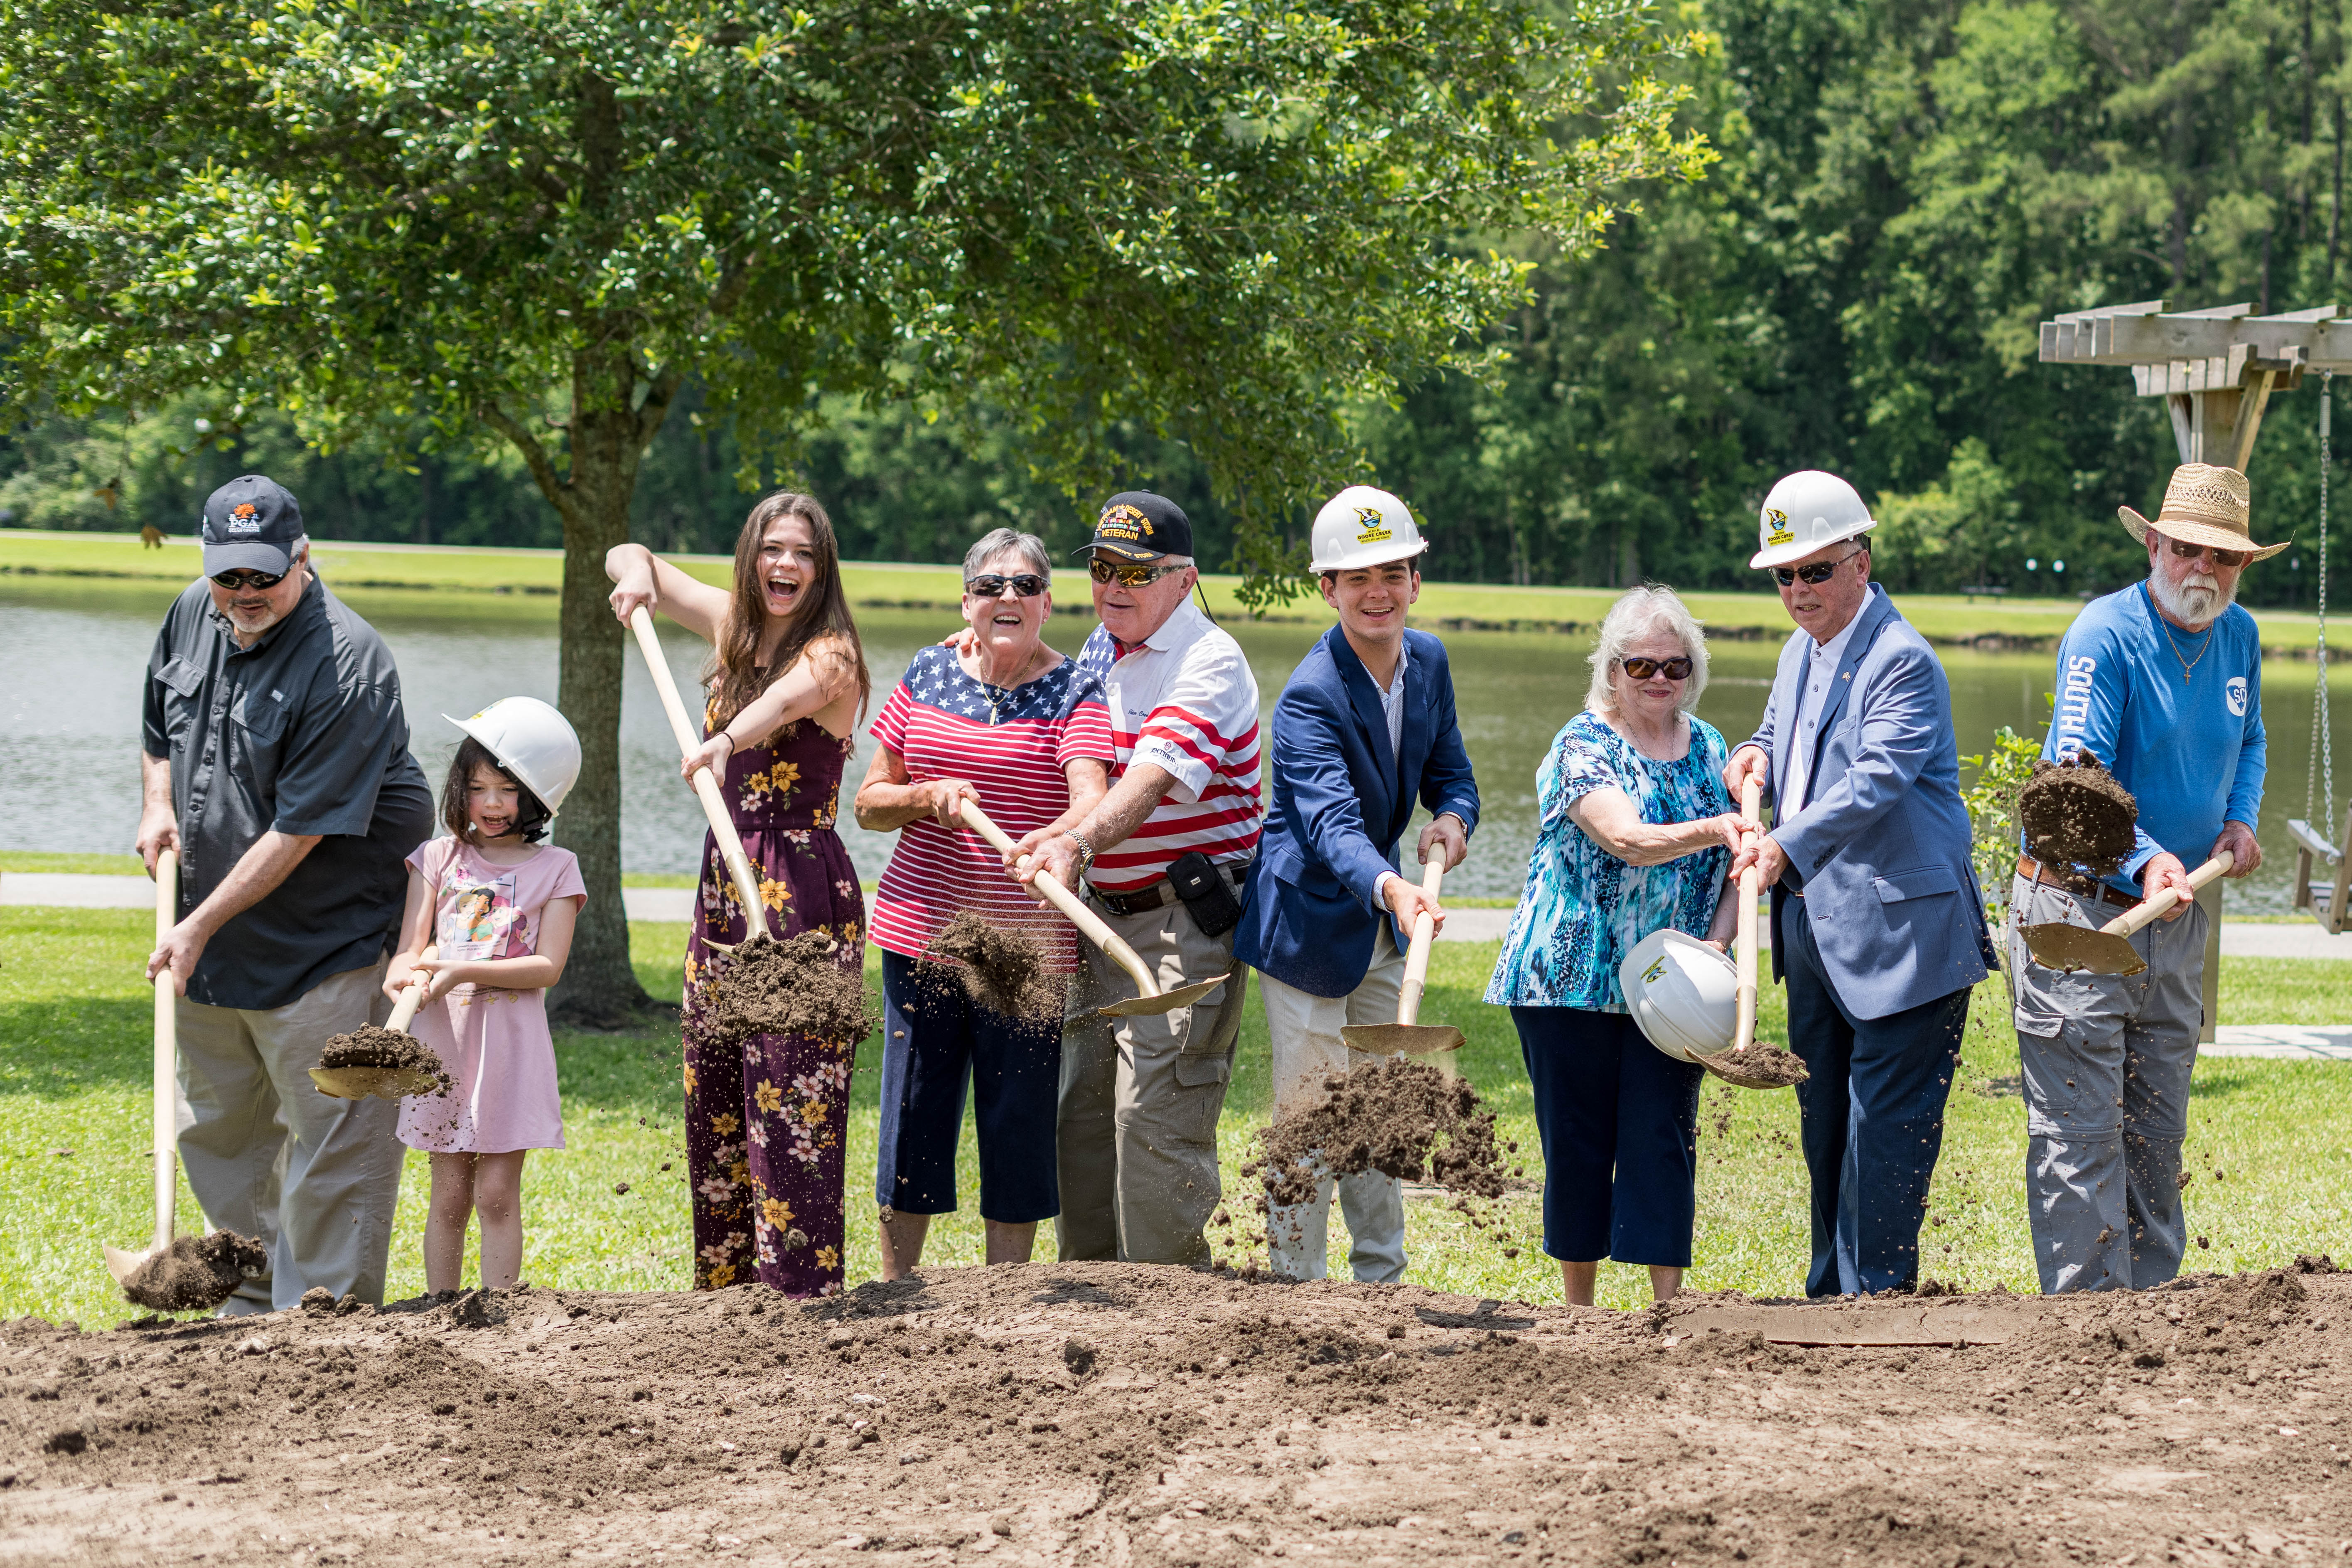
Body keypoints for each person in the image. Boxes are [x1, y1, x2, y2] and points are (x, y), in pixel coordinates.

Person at [136, 474, 436, 1313]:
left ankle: (326, 1324)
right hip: (216, 939)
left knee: (336, 1138)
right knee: (224, 1135)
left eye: (262, 578)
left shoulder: (349, 665)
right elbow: (160, 724)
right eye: (228, 577)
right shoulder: (194, 610)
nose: (243, 595)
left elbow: (298, 832)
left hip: (326, 945)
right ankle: (248, 1308)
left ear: (302, 559)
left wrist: (194, 924)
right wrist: (157, 805)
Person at [1724, 469, 1995, 1298]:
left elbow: (1873, 778)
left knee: (1885, 1130)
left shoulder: (1901, 660)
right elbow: (1782, 731)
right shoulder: (1799, 650)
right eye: (1783, 574)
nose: (1797, 589)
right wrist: (1754, 752)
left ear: (1860, 561)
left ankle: (1875, 1302)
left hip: (1901, 937)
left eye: (1815, 569)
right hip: (1813, 928)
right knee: (1825, 1124)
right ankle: (1827, 1296)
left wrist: (1781, 846)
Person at [2011, 462, 2274, 1293]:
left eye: (2222, 557)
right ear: (2154, 543)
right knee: (2080, 1132)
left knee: (2156, 1133)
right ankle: (2086, 1328)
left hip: (2172, 918)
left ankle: (2151, 1313)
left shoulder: (2237, 636)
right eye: (2187, 548)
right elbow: (2073, 781)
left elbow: (2254, 740)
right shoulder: (2104, 635)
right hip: (2079, 910)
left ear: (2240, 566)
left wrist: (2238, 818)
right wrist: (2141, 858)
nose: (2202, 568)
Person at [605, 492, 871, 1296]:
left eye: (802, 553)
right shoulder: (734, 627)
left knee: (791, 1106)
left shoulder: (834, 656)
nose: (785, 565)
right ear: (752, 557)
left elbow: (786, 702)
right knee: (714, 1094)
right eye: (772, 549)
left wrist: (723, 737)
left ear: (821, 569)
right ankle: (723, 1301)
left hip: (800, 892)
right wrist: (632, 582)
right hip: (724, 883)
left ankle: (799, 1294)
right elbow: (633, 554)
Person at [1010, 492, 1265, 1266]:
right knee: (1079, 1118)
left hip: (1179, 928)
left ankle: (1170, 1326)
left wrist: (1075, 842)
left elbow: (1150, 778)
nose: (1113, 585)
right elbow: (1063, 731)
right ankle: (1091, 1306)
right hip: (1097, 917)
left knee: (1153, 1124)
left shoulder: (1209, 660)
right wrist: (986, 643)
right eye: (1099, 567)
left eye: (1135, 571)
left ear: (1184, 580)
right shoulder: (1098, 649)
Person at [1233, 485, 1479, 1283]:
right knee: (1309, 1115)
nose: (1377, 592)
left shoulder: (1430, 660)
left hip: (1380, 920)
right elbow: (1331, 827)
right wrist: (1393, 889)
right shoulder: (1310, 695)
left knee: (1381, 1106)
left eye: (1392, 573)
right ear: (1326, 589)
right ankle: (1296, 1289)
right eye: (1355, 577)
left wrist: (1453, 821)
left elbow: (1453, 772)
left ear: (1415, 579)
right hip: (1307, 925)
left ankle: (1381, 1281)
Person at [853, 528, 1115, 1278]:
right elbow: (870, 804)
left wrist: (1052, 839)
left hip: (1027, 951)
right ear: (966, 600)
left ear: (1046, 603)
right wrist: (924, 796)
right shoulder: (928, 672)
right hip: (920, 934)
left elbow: (1088, 798)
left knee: (1016, 1121)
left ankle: (1006, 1298)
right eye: (992, 586)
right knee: (914, 1116)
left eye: (1026, 585)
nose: (1009, 597)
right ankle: (896, 1290)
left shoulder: (1075, 689)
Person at [1484, 587, 1745, 1306]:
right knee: (1579, 1142)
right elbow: (1626, 840)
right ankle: (1580, 1309)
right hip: (1570, 977)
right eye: (1640, 666)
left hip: (1674, 983)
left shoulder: (1712, 746)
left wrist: (1718, 941)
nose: (1659, 678)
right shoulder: (1582, 742)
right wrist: (1716, 826)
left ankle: (1668, 1302)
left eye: (1675, 664)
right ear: (1610, 670)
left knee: (1663, 1135)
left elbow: (1735, 871)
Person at [386, 699, 586, 1294]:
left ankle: (501, 1310)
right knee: (448, 1194)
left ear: (539, 794)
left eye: (508, 789)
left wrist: (457, 969)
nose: (493, 804)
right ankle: (440, 1307)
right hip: (444, 1047)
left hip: (509, 1051)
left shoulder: (558, 867)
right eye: (478, 788)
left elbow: (548, 966)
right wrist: (402, 976)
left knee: (496, 1192)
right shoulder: (438, 857)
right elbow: (408, 949)